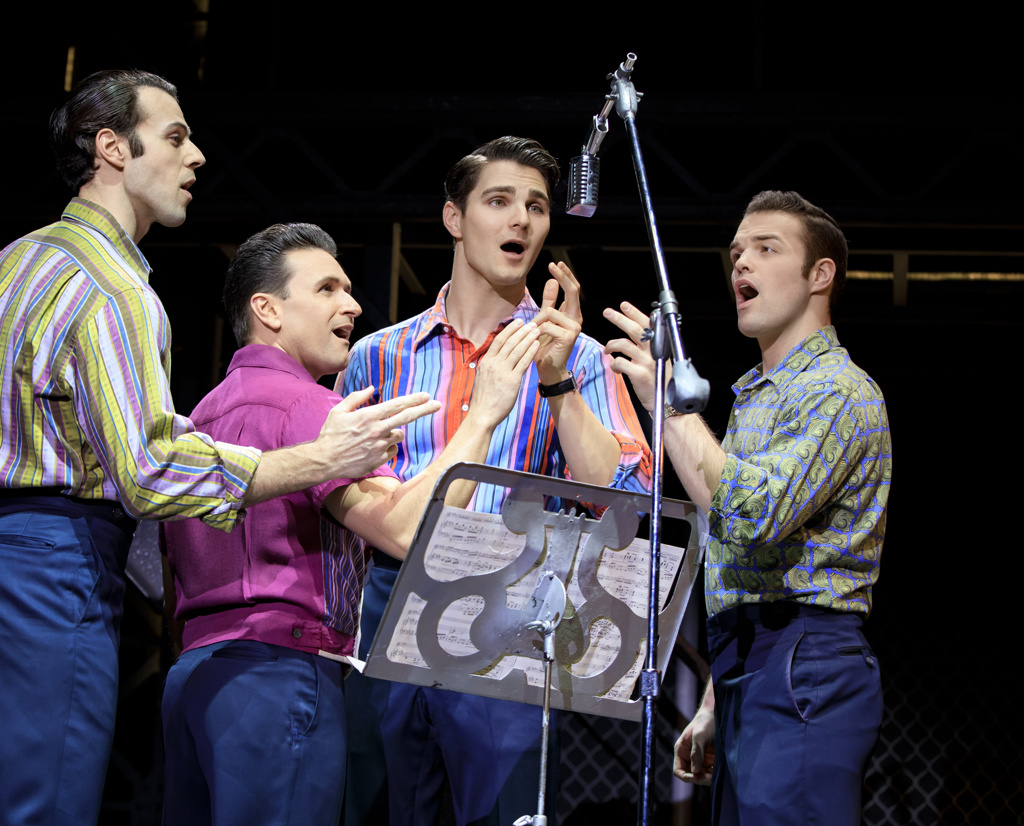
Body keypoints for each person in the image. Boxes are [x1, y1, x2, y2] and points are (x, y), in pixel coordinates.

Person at [0, 70, 436, 826]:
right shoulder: (117, 289)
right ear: (112, 149)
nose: (196, 159)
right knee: (40, 810)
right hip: (55, 559)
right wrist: (317, 462)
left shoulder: (1, 270)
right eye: (176, 137)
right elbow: (152, 471)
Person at [160, 222, 542, 826]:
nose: (354, 303)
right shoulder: (312, 406)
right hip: (276, 679)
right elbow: (410, 533)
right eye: (327, 289)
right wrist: (484, 416)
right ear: (268, 309)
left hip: (191, 682)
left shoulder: (206, 410)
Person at [338, 136, 653, 826]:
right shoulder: (378, 355)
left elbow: (621, 500)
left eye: (537, 207)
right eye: (500, 201)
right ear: (454, 217)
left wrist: (558, 380)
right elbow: (345, 497)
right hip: (389, 606)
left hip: (510, 613)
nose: (521, 221)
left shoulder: (579, 355)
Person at [604, 190, 891, 825]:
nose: (742, 265)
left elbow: (753, 517)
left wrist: (669, 407)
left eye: (766, 249)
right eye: (736, 253)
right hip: (750, 660)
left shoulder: (836, 390)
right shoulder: (757, 399)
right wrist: (713, 700)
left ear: (820, 276)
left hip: (804, 659)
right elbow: (742, 558)